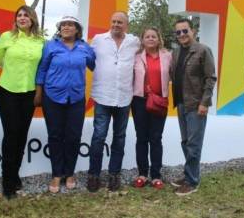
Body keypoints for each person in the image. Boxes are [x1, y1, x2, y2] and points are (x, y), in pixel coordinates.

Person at [35, 16, 96, 193]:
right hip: (52, 97)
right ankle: (56, 174)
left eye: (70, 25)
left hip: (76, 99)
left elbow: (93, 64)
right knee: (55, 136)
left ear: (77, 29)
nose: (66, 27)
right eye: (63, 25)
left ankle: (69, 173)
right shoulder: (50, 46)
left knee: (73, 137)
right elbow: (42, 69)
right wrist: (39, 93)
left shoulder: (85, 47)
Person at [0, 5, 44, 199]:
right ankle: (7, 182)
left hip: (29, 94)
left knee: (22, 136)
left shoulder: (40, 41)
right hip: (8, 92)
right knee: (12, 135)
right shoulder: (6, 37)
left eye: (25, 15)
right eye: (19, 15)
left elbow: (42, 67)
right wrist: (9, 67)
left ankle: (15, 174)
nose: (22, 18)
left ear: (32, 19)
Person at [87, 11, 140, 192]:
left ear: (127, 25)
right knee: (98, 137)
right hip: (102, 96)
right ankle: (93, 175)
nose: (116, 24)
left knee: (119, 138)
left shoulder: (134, 42)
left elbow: (149, 51)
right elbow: (87, 59)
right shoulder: (98, 39)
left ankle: (114, 174)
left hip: (124, 98)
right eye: (114, 21)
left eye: (120, 22)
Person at [169, 18, 216, 196]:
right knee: (186, 141)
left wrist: (205, 102)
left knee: (194, 144)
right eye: (178, 32)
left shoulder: (203, 50)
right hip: (180, 103)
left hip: (196, 105)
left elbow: (210, 78)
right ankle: (189, 173)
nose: (182, 34)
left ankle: (192, 181)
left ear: (193, 31)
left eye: (185, 31)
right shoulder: (176, 52)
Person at [131, 27, 172, 190]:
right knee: (141, 138)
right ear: (142, 40)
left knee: (156, 138)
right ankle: (142, 174)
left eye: (153, 36)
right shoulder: (135, 57)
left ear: (159, 38)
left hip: (159, 101)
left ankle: (155, 175)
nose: (150, 39)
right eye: (147, 36)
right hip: (139, 101)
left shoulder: (168, 56)